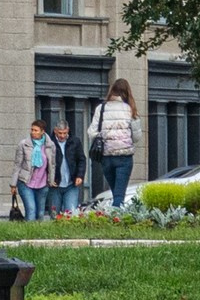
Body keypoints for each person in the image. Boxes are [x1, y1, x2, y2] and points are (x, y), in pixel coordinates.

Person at [88, 79, 139, 211]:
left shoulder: (101, 108)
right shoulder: (130, 109)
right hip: (124, 157)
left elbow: (92, 132)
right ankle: (116, 219)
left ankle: (113, 216)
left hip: (106, 156)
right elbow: (137, 137)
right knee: (119, 194)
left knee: (114, 190)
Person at [17, 121, 54, 221]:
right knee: (31, 209)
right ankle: (28, 233)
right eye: (32, 130)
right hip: (26, 182)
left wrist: (52, 179)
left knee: (40, 213)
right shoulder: (24, 144)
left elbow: (52, 164)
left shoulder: (50, 145)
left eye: (36, 130)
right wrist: (12, 184)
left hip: (42, 183)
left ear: (42, 132)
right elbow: (17, 164)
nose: (33, 132)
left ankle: (37, 234)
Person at [56, 123, 88, 213]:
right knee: (54, 213)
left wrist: (80, 176)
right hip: (55, 184)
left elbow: (82, 160)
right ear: (55, 131)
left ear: (68, 131)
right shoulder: (51, 142)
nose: (62, 136)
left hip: (71, 183)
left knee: (71, 212)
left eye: (64, 133)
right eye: (60, 133)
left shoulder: (75, 141)